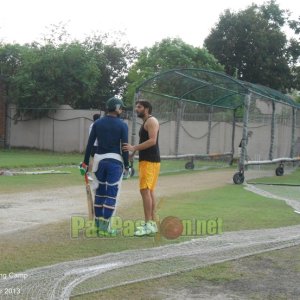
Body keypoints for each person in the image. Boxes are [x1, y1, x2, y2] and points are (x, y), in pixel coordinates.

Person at [80, 97, 129, 235]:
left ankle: (97, 224)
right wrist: (127, 165)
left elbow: (90, 145)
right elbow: (124, 147)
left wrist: (85, 163)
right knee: (112, 193)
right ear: (117, 108)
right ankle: (105, 228)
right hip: (115, 161)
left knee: (100, 191)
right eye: (121, 108)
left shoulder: (97, 123)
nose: (122, 110)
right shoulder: (122, 125)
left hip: (98, 160)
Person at [122, 100, 160, 236]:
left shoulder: (151, 121)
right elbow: (143, 141)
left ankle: (148, 224)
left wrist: (133, 148)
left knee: (145, 191)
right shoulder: (146, 122)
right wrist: (133, 153)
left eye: (139, 107)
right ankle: (151, 224)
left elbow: (152, 141)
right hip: (147, 161)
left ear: (147, 108)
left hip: (150, 161)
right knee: (148, 191)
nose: (136, 109)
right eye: (136, 107)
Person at [88, 113, 101, 177]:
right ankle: (89, 174)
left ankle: (89, 174)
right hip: (96, 145)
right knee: (95, 160)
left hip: (92, 145)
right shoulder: (97, 125)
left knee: (93, 160)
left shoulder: (91, 125)